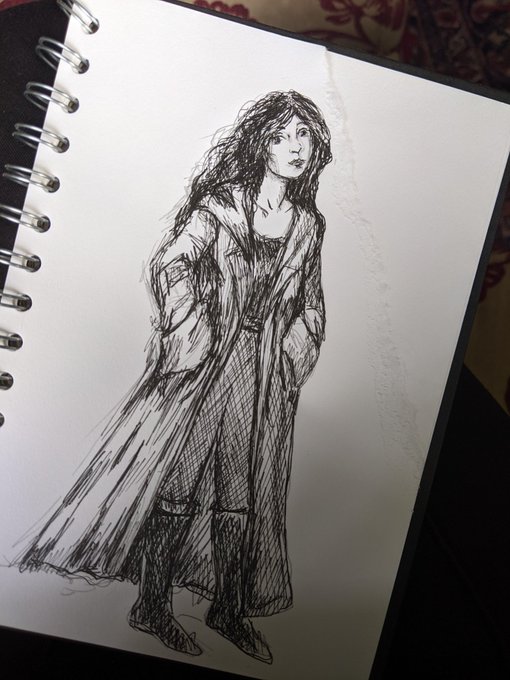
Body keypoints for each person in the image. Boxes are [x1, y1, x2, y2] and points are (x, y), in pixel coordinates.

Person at [18, 90, 332, 664]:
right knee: (179, 484)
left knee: (242, 491)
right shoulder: (221, 206)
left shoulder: (309, 224)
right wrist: (195, 328)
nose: (295, 147)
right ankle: (152, 605)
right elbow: (172, 263)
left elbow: (311, 304)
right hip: (206, 365)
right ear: (260, 144)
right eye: (283, 135)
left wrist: (294, 352)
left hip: (262, 376)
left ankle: (228, 609)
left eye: (305, 136)